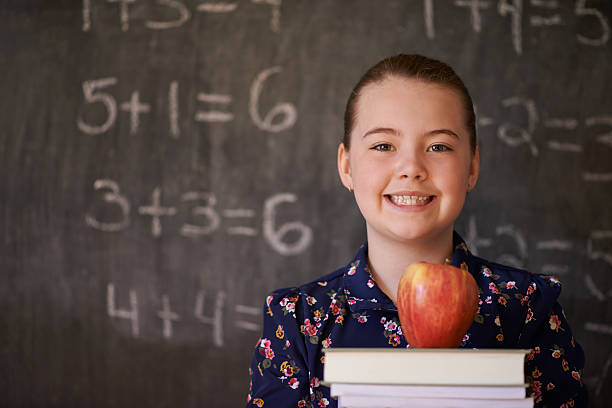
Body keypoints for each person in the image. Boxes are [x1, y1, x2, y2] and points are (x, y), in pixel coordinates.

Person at [245, 54, 587, 408]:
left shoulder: (527, 307)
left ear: (472, 166)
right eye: (383, 146)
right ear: (347, 166)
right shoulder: (300, 320)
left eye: (438, 146)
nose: (411, 168)